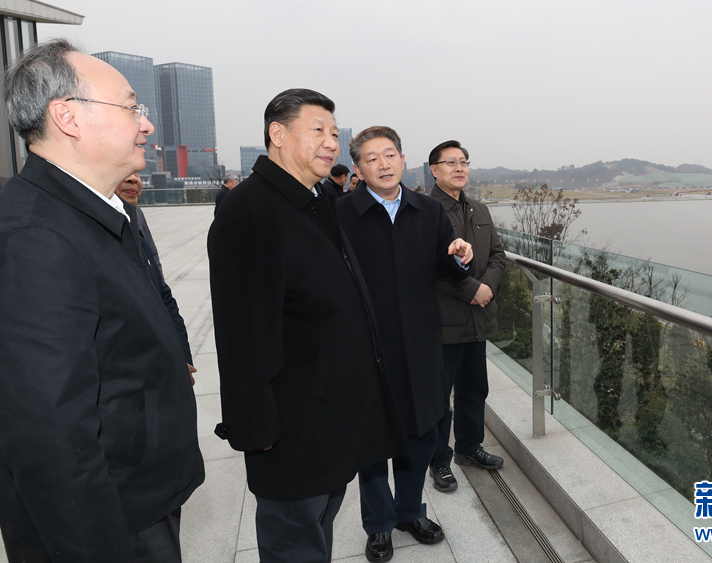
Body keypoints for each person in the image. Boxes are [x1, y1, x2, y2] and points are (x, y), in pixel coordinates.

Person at [0, 39, 204, 561]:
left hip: (140, 492)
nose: (146, 124)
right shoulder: (29, 240)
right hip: (110, 520)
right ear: (66, 116)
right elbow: (52, 438)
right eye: (131, 107)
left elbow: (33, 375)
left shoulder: (92, 212)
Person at [208, 89, 406, 563]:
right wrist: (255, 426)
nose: (331, 142)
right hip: (289, 425)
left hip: (327, 414)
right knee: (294, 541)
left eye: (334, 133)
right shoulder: (250, 209)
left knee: (318, 530)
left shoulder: (314, 200)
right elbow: (239, 332)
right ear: (278, 134)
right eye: (318, 130)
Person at [335, 126, 473, 563]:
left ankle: (410, 511)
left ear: (403, 159)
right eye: (372, 158)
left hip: (420, 343)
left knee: (421, 433)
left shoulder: (428, 210)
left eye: (390, 155)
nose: (383, 164)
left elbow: (448, 267)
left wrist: (458, 254)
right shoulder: (340, 214)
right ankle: (378, 524)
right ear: (358, 169)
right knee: (373, 438)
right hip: (366, 346)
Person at [427, 140, 506, 494]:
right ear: (434, 170)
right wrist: (471, 289)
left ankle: (469, 447)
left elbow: (498, 255)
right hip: (444, 321)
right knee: (438, 396)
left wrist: (486, 286)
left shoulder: (479, 209)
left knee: (475, 389)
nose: (459, 168)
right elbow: (426, 266)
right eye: (450, 162)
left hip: (477, 319)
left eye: (464, 162)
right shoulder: (426, 212)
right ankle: (439, 460)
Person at [115, 174, 197, 384]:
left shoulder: (135, 216)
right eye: (124, 170)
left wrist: (182, 357)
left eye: (137, 172)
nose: (133, 179)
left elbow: (161, 292)